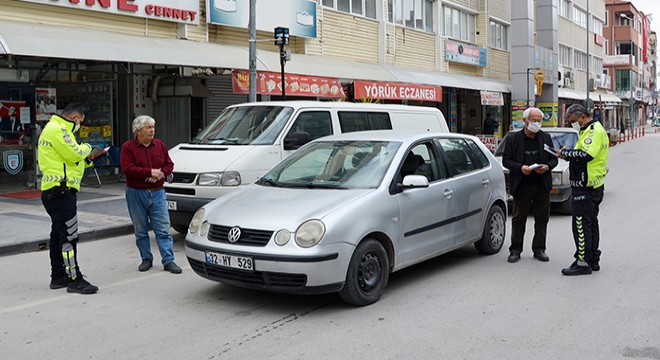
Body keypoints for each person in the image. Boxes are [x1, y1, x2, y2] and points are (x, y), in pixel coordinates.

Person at [38, 103, 99, 294]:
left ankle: (58, 276)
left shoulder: (55, 129)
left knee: (58, 235)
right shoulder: (59, 129)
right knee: (69, 237)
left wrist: (87, 160)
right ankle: (74, 279)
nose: (81, 124)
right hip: (61, 192)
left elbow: (69, 162)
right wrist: (87, 147)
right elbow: (74, 154)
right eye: (81, 121)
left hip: (57, 191)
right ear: (75, 117)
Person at [121, 115, 182, 274]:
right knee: (140, 229)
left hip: (157, 193)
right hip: (136, 193)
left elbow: (169, 164)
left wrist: (160, 173)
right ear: (138, 130)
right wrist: (149, 172)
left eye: (153, 127)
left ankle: (168, 260)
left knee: (163, 229)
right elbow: (128, 169)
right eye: (148, 127)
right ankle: (146, 259)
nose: (152, 130)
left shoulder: (160, 145)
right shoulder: (128, 147)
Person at [557, 103, 609, 276]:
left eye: (574, 121)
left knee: (581, 225)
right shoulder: (591, 130)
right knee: (591, 223)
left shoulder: (592, 131)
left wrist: (566, 154)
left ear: (582, 117)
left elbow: (587, 155)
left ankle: (583, 262)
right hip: (593, 185)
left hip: (586, 186)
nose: (574, 124)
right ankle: (593, 259)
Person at [502, 107, 558, 263]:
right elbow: (506, 160)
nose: (537, 123)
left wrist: (547, 167)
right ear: (525, 121)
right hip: (522, 185)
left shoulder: (545, 137)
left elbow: (554, 159)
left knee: (542, 219)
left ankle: (539, 249)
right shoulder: (513, 139)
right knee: (518, 219)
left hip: (542, 184)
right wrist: (520, 168)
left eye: (539, 120)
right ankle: (515, 250)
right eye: (534, 120)